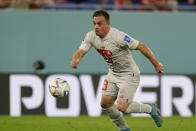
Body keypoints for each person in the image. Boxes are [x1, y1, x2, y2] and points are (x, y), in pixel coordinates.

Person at [70, 10, 163, 131]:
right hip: (113, 73)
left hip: (129, 74)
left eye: (99, 23)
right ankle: (124, 129)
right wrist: (75, 60)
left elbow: (141, 46)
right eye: (94, 23)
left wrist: (156, 64)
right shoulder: (91, 36)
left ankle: (151, 109)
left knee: (122, 107)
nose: (96, 27)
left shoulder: (119, 37)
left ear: (107, 23)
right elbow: (80, 51)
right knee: (105, 103)